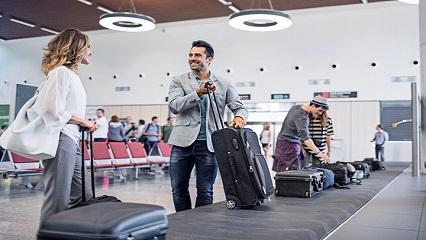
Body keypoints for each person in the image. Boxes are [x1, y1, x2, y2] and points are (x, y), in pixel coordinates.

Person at [168, 40, 248, 212]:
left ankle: (200, 225)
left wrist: (240, 117)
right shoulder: (178, 80)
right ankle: (182, 223)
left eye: (197, 55)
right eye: (190, 55)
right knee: (178, 189)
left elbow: (240, 106)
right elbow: (174, 106)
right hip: (181, 143)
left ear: (209, 59)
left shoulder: (224, 83)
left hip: (210, 144)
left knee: (205, 191)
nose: (192, 58)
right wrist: (197, 93)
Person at [38, 29, 96, 224]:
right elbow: (49, 110)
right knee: (57, 198)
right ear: (77, 48)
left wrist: (83, 124)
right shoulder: (61, 72)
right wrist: (83, 121)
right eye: (88, 46)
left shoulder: (71, 75)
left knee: (83, 195)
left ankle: (70, 231)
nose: (91, 51)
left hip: (72, 140)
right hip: (60, 139)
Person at [272, 96, 330, 172]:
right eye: (319, 110)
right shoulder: (302, 117)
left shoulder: (295, 107)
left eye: (322, 112)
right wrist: (320, 154)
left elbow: (293, 129)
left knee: (284, 171)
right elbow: (306, 138)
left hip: (282, 143)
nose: (320, 113)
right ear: (313, 105)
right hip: (289, 146)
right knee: (291, 173)